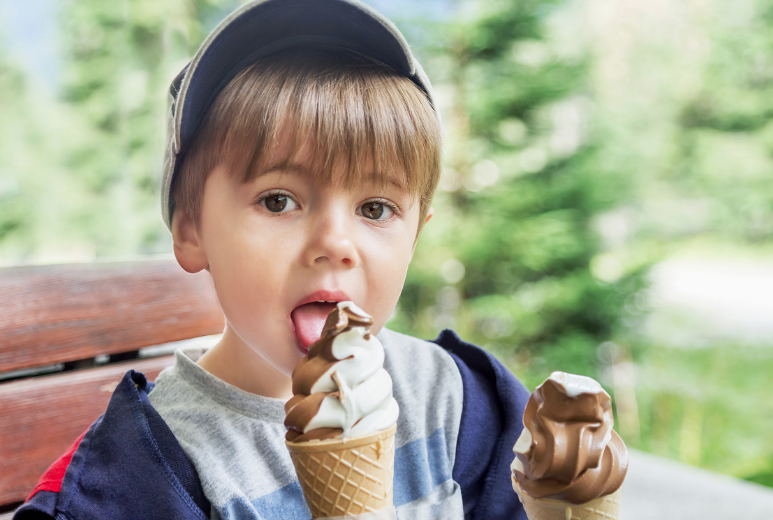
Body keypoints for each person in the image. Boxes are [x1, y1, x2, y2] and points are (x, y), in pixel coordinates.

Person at [16, 1, 530, 519]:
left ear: (416, 234)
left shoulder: (456, 404)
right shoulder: (142, 477)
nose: (335, 242)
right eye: (278, 200)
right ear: (191, 228)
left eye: (375, 209)